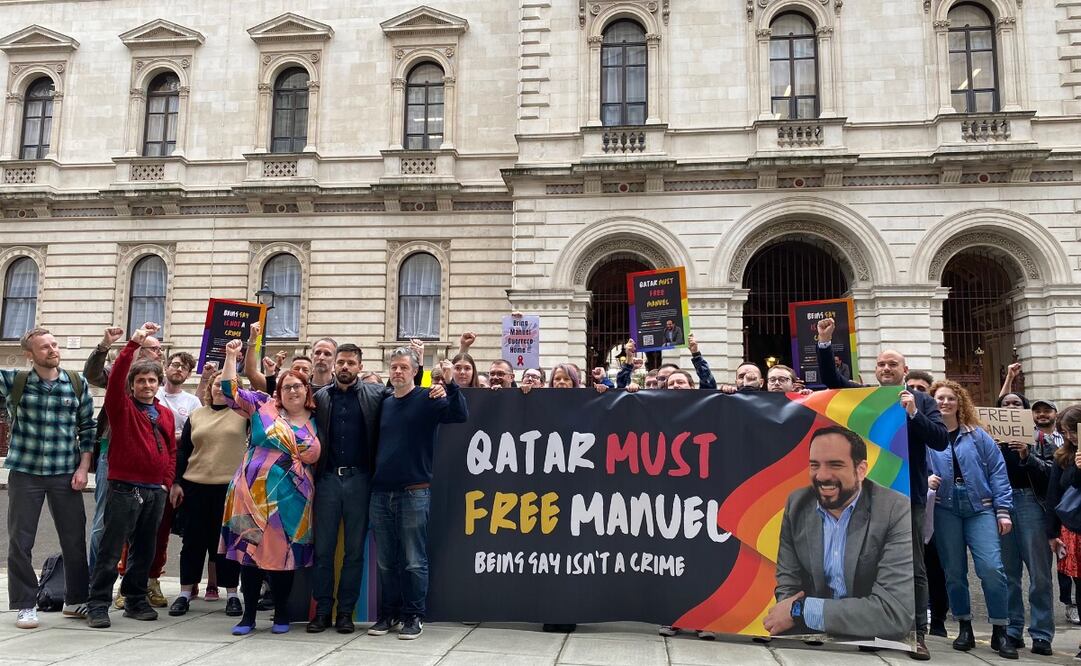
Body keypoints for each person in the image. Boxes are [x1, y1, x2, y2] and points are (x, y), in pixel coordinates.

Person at [814, 317, 947, 660]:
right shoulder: (865, 396)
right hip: (865, 498)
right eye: (881, 364)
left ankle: (916, 633)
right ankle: (870, 628)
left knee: (913, 567)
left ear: (905, 369)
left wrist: (915, 413)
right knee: (865, 563)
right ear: (875, 370)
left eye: (893, 364)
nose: (886, 369)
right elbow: (831, 381)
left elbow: (940, 440)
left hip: (906, 497)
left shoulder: (921, 400)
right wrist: (825, 343)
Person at [308, 343, 448, 634]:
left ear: (360, 366)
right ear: (334, 365)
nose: (345, 367)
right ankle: (322, 611)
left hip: (362, 481)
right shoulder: (318, 398)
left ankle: (345, 612)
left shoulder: (377, 395)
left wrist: (430, 382)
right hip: (328, 481)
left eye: (351, 363)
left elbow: (406, 393)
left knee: (355, 552)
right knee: (323, 551)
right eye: (341, 362)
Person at [765, 425, 913, 640]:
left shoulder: (894, 509)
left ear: (861, 470)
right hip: (810, 638)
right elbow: (788, 584)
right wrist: (792, 610)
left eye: (835, 465)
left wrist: (801, 611)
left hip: (869, 641)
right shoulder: (797, 504)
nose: (822, 475)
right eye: (815, 465)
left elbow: (893, 614)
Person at [219, 338, 320, 635]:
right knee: (249, 555)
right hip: (250, 493)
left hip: (294, 499)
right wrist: (231, 356)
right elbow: (230, 391)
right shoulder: (263, 406)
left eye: (298, 386)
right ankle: (248, 617)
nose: (292, 391)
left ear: (307, 391)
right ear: (278, 392)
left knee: (283, 557)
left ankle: (281, 615)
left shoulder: (318, 418)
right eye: (286, 386)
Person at [367, 351, 467, 640]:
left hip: (414, 492)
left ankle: (413, 615)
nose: (398, 371)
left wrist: (450, 384)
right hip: (381, 492)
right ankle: (389, 613)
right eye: (394, 367)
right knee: (386, 560)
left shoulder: (428, 398)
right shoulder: (384, 403)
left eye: (404, 367)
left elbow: (459, 414)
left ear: (414, 371)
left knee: (413, 559)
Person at [2, 327, 95, 629]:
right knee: (20, 541)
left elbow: (87, 429)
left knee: (74, 539)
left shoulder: (76, 383)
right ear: (30, 355)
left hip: (65, 472)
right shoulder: (15, 382)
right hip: (25, 472)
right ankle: (25, 604)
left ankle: (77, 600)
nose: (53, 350)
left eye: (54, 344)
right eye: (44, 347)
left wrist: (83, 469)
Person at [87, 322, 176, 629]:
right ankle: (97, 603)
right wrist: (131, 345)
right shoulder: (121, 408)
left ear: (158, 383)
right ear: (132, 384)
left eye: (152, 380)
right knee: (111, 549)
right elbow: (113, 385)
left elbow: (171, 450)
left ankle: (135, 599)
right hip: (124, 488)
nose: (147, 385)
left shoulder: (164, 413)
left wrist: (166, 481)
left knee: (144, 549)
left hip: (154, 490)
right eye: (141, 381)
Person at [925, 380, 1015, 659]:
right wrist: (927, 479)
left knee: (991, 568)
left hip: (981, 507)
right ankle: (964, 626)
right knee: (953, 572)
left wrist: (1003, 510)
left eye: (951, 398)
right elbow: (917, 466)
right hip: (945, 508)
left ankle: (1001, 629)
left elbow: (998, 471)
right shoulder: (928, 437)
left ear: (959, 402)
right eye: (939, 398)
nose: (945, 403)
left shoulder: (977, 435)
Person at [167, 371, 247, 618]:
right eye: (215, 385)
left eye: (225, 386)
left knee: (226, 544)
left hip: (229, 489)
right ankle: (184, 592)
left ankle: (232, 594)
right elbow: (183, 452)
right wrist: (177, 482)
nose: (218, 390)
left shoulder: (244, 416)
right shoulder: (196, 415)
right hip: (195, 486)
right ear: (209, 388)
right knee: (192, 543)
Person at [83, 325, 162, 574]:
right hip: (115, 455)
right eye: (155, 349)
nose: (160, 354)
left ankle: (131, 588)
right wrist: (105, 346)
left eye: (160, 349)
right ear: (140, 350)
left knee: (140, 530)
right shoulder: (122, 375)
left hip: (146, 465)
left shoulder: (158, 380)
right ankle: (93, 583)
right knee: (105, 523)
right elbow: (93, 375)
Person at [994, 394, 1057, 655]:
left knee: (1039, 574)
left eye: (1016, 404)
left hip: (1031, 504)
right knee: (1007, 573)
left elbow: (1052, 472)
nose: (1010, 407)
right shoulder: (990, 440)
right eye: (1005, 404)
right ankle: (1012, 629)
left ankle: (1041, 634)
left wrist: (1026, 455)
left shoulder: (1041, 439)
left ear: (1025, 411)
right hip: (1001, 504)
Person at [1046, 404, 1081, 660]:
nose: (1070, 436)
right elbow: (1056, 493)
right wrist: (1052, 532)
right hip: (1075, 529)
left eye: (1073, 430)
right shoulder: (1063, 456)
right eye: (1066, 431)